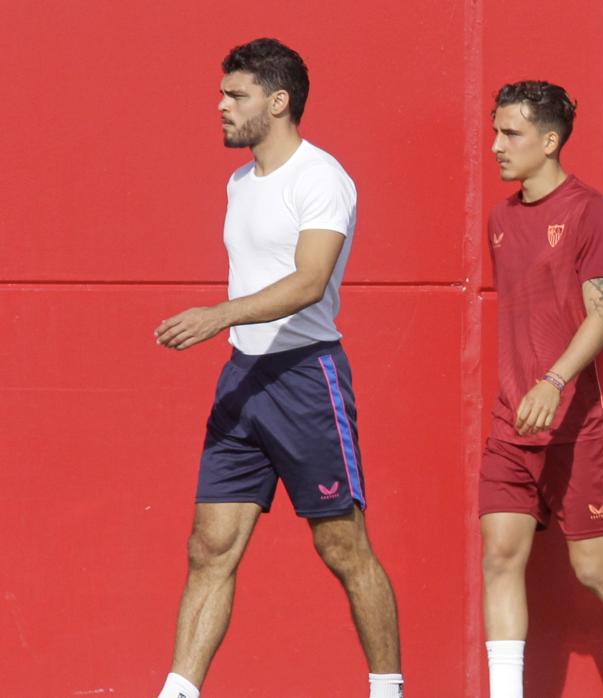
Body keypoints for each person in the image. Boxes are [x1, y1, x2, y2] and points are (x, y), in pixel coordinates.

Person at [152, 38, 402, 698]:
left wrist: (219, 314)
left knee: (343, 548)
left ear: (279, 101)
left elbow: (311, 281)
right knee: (209, 547)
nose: (222, 106)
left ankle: (388, 690)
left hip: (304, 379)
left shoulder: (321, 177)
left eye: (237, 95)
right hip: (242, 380)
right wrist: (231, 328)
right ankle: (179, 690)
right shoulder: (239, 182)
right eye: (223, 93)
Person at [479, 80, 603, 698]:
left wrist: (554, 381)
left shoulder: (593, 212)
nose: (497, 145)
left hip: (583, 419)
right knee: (501, 555)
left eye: (512, 133)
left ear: (551, 140)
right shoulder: (501, 220)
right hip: (514, 422)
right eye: (497, 130)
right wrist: (525, 392)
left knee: (595, 569)